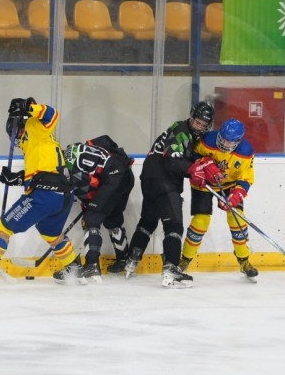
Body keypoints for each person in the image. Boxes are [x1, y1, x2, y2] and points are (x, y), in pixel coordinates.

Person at [0, 97, 78, 290]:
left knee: (3, 227)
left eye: (15, 133)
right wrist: (17, 178)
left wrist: (28, 107)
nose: (16, 138)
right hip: (63, 195)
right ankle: (74, 269)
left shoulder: (35, 126)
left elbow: (52, 114)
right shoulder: (38, 142)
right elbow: (43, 171)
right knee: (51, 234)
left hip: (45, 195)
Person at [124, 101, 223, 288]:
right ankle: (171, 270)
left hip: (149, 178)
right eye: (197, 122)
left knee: (148, 221)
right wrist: (194, 169)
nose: (199, 127)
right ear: (191, 117)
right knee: (174, 226)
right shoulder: (180, 130)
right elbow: (173, 159)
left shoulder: (183, 131)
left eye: (203, 125)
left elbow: (181, 159)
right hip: (164, 180)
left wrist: (198, 166)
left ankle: (131, 261)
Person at [179, 118, 258, 282]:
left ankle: (244, 261)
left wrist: (236, 195)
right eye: (223, 139)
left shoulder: (246, 151)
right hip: (205, 184)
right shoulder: (208, 140)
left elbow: (246, 179)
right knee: (200, 221)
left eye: (230, 142)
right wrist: (203, 162)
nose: (224, 143)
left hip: (230, 185)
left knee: (237, 219)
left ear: (238, 141)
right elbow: (192, 155)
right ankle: (184, 260)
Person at [59, 134, 135, 284]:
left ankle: (92, 266)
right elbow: (106, 142)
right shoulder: (73, 148)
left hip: (113, 178)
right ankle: (123, 260)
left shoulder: (68, 168)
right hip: (126, 175)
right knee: (112, 218)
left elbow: (90, 186)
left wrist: (89, 204)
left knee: (91, 220)